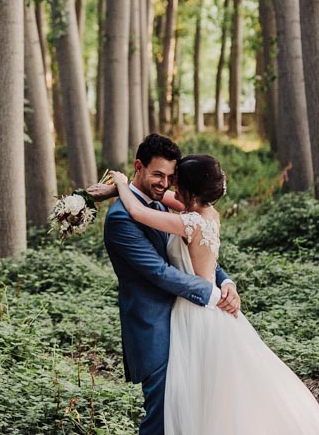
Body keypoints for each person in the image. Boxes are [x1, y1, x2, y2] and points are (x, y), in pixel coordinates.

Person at [107, 153, 319, 433]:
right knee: (211, 394)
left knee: (201, 395)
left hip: (195, 312)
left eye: (175, 182)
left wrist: (119, 184)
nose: (170, 187)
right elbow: (160, 203)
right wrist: (226, 283)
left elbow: (139, 212)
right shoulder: (207, 215)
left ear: (189, 189)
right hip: (206, 311)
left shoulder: (188, 222)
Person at [87, 134, 239, 435]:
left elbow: (193, 253)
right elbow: (159, 272)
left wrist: (225, 282)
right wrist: (210, 293)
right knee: (161, 418)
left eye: (171, 177)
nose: (165, 183)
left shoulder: (164, 203)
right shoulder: (121, 219)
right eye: (158, 174)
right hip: (154, 328)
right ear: (138, 167)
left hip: (188, 323)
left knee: (193, 412)